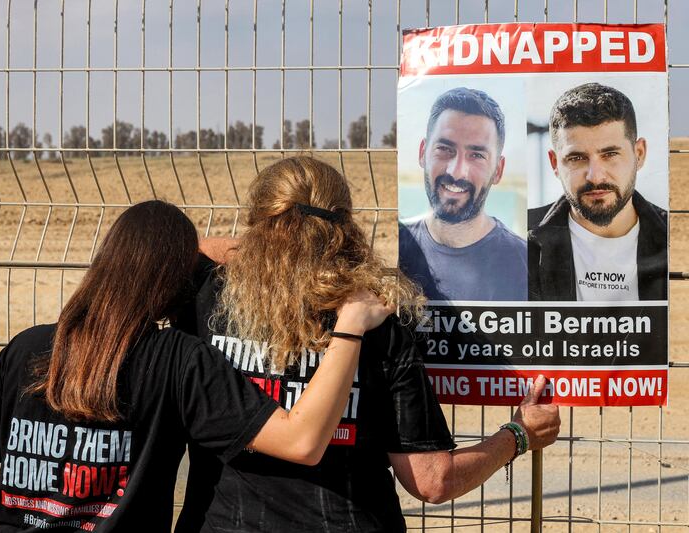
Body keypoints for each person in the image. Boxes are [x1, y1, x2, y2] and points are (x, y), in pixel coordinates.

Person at [0, 200, 394, 532]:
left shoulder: (26, 349)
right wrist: (350, 323)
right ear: (178, 279)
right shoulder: (177, 360)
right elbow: (301, 441)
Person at [175, 156, 560, 532]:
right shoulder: (373, 317)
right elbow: (432, 480)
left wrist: (259, 253)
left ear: (258, 222)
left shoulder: (205, 294)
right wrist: (518, 434)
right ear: (345, 227)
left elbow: (184, 247)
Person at [528, 83, 668, 301]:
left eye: (610, 154)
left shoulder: (675, 240)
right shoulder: (520, 245)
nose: (595, 176)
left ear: (639, 154)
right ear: (555, 163)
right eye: (576, 158)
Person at [399, 87, 527, 301]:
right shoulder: (395, 249)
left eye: (476, 155)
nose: (456, 171)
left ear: (498, 170)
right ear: (423, 153)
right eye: (445, 149)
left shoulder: (524, 264)